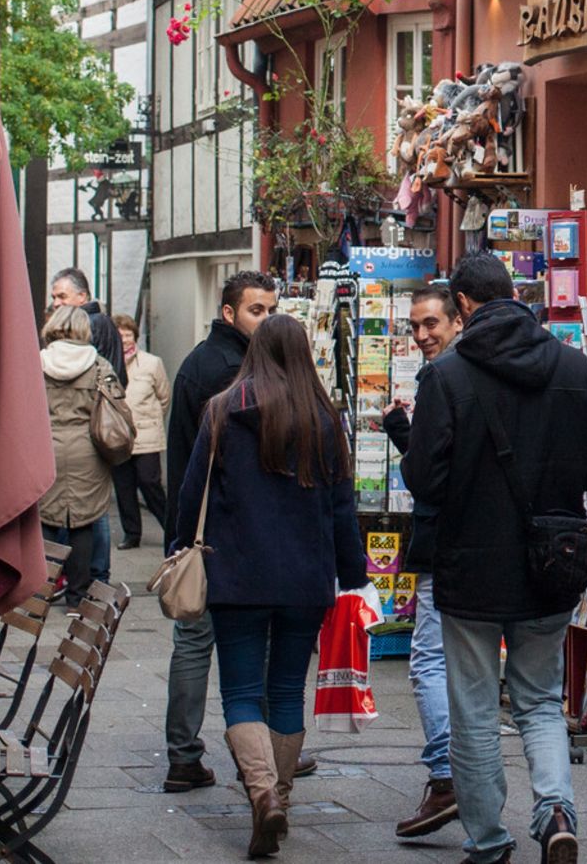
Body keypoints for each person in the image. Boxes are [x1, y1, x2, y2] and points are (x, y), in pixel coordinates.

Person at [402, 252, 587, 864]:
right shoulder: (572, 367)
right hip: (553, 564)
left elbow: (423, 480)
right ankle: (555, 810)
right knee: (540, 699)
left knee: (471, 706)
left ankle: (489, 838)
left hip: (471, 568)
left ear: (462, 306)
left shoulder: (448, 377)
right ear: (513, 293)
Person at [173, 314, 367, 860]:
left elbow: (193, 495)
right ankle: (280, 793)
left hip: (237, 577)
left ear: (255, 352)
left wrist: (179, 548)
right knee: (285, 689)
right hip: (306, 579)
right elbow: (339, 509)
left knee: (240, 693)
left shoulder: (222, 411)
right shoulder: (324, 419)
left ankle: (260, 795)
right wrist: (353, 577)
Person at [162, 270, 280, 794]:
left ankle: (186, 754)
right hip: (226, 531)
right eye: (258, 310)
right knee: (221, 642)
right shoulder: (230, 372)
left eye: (272, 309)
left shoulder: (201, 362)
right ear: (229, 313)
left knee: (195, 640)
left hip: (203, 528)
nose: (267, 319)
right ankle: (261, 755)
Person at [383, 283, 464, 840]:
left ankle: (444, 778)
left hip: (447, 542)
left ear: (457, 319)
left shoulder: (445, 376)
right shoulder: (467, 369)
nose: (421, 335)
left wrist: (404, 440)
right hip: (477, 543)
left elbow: (428, 475)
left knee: (429, 662)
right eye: (414, 326)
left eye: (430, 323)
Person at [38, 305, 119, 608]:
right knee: (82, 523)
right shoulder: (98, 365)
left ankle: (40, 594)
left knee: (45, 518)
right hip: (88, 452)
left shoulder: (37, 362)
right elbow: (116, 402)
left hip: (48, 448)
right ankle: (77, 596)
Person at [113, 315, 172, 551]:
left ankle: (172, 528)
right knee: (124, 488)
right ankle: (132, 534)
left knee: (150, 483)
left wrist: (151, 420)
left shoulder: (152, 363)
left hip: (146, 436)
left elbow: (164, 397)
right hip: (118, 439)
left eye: (128, 334)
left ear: (135, 336)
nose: (125, 340)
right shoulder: (108, 363)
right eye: (120, 335)